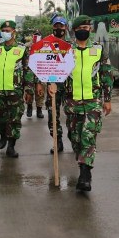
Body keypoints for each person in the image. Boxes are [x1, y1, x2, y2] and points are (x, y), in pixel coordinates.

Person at [63, 15, 113, 192]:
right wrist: (52, 87)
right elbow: (58, 74)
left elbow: (107, 75)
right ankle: (83, 164)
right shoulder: (66, 51)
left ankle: (85, 174)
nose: (86, 29)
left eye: (88, 26)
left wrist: (107, 99)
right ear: (75, 30)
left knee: (88, 137)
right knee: (75, 138)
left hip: (93, 102)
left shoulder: (99, 50)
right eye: (82, 27)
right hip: (72, 102)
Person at [0, 20, 34, 158]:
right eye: (3, 30)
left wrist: (29, 90)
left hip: (15, 92)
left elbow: (28, 71)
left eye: (8, 30)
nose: (5, 33)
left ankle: (11, 146)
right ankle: (2, 134)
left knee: (14, 120)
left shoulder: (23, 49)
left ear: (14, 32)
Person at [41, 15, 69, 153]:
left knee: (73, 116)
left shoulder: (72, 45)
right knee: (53, 116)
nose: (59, 28)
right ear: (53, 27)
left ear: (66, 27)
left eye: (61, 26)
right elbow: (38, 63)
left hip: (70, 87)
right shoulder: (46, 44)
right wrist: (40, 83)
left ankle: (75, 139)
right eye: (56, 26)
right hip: (53, 85)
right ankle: (57, 142)